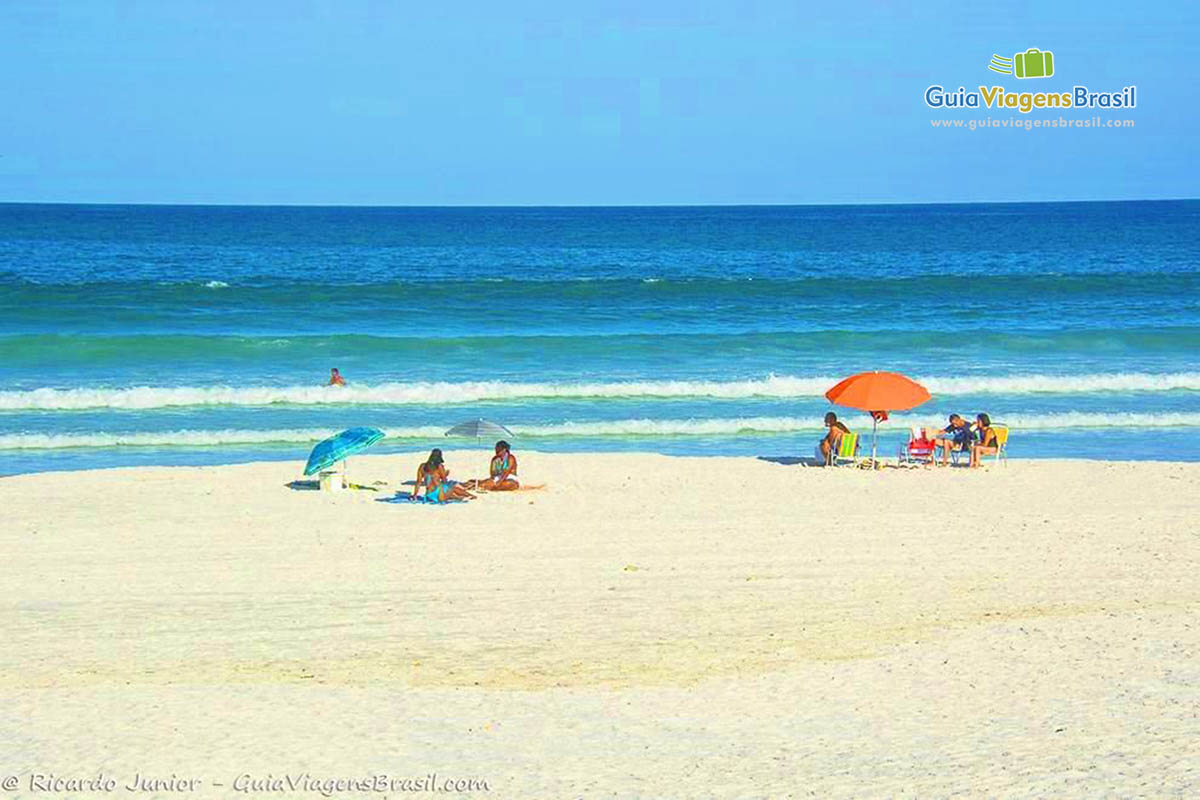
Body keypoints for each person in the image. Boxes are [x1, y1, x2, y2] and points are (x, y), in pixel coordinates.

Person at [411, 449, 475, 502]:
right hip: (439, 494)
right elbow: (444, 481)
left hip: (429, 495)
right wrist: (445, 474)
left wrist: (415, 495)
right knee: (452, 488)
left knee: (450, 491)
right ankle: (470, 496)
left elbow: (418, 482)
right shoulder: (439, 466)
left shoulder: (422, 466)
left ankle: (460, 497)